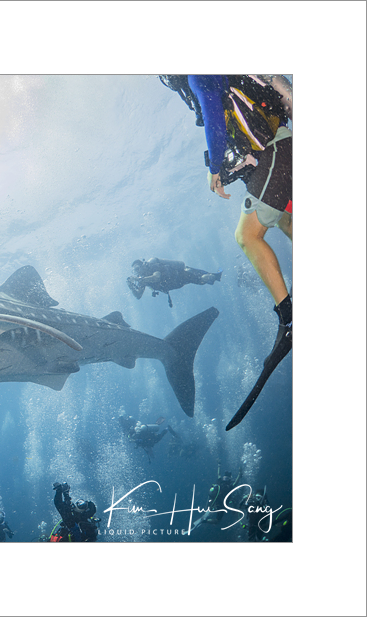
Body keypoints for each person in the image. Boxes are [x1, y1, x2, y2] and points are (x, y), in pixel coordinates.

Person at [183, 75, 293, 428]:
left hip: (277, 148)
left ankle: (290, 319)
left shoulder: (196, 70)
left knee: (247, 235)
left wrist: (215, 168)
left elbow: (214, 113)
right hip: (279, 149)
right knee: (286, 221)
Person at [127, 258, 222, 308]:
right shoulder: (143, 280)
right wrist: (131, 287)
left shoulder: (152, 266)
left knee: (200, 280)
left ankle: (214, 276)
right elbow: (138, 295)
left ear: (142, 266)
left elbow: (157, 277)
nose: (137, 272)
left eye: (137, 269)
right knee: (199, 280)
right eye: (135, 271)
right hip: (174, 283)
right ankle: (213, 276)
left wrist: (138, 280)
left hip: (178, 276)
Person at [185, 461, 243, 534]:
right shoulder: (230, 487)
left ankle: (201, 520)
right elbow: (236, 482)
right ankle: (204, 521)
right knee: (217, 521)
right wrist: (239, 473)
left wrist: (219, 465)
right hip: (221, 506)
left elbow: (218, 474)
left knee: (208, 513)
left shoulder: (219, 481)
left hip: (213, 502)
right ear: (229, 479)